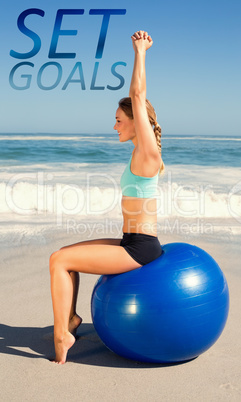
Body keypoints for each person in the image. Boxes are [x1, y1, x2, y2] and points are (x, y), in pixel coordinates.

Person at [49, 30, 164, 364]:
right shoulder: (137, 154)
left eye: (118, 120)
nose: (114, 126)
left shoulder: (148, 154)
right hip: (130, 239)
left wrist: (140, 51)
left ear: (135, 122)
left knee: (58, 263)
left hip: (140, 248)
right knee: (64, 254)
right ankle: (69, 319)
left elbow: (138, 94)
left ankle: (62, 336)